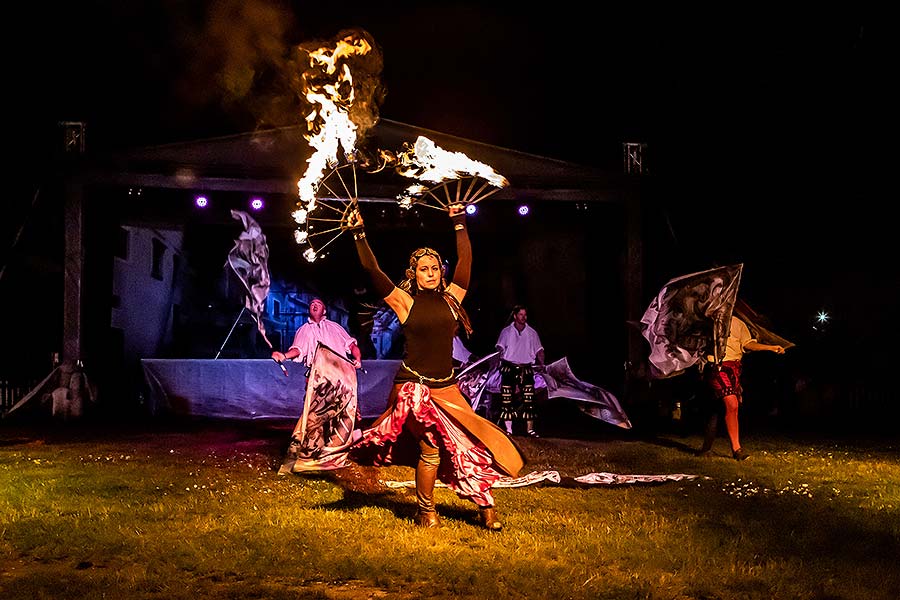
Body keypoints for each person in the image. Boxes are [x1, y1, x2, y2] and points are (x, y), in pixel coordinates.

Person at [344, 203, 524, 531]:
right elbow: (374, 272)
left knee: (469, 444)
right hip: (413, 388)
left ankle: (485, 506)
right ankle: (426, 512)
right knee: (431, 447)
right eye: (423, 268)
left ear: (442, 271)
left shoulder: (453, 298)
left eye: (435, 268)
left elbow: (467, 262)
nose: (430, 272)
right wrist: (359, 235)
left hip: (447, 386)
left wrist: (459, 224)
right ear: (414, 273)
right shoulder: (404, 301)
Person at [697, 314, 785, 460]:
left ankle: (706, 448)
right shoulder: (710, 320)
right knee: (732, 404)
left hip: (734, 368)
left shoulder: (738, 323)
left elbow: (747, 343)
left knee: (719, 409)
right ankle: (737, 450)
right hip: (716, 366)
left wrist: (770, 347)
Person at [271, 297, 362, 371]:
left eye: (318, 304)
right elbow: (297, 349)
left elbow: (352, 346)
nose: (315, 306)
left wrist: (357, 359)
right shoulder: (303, 330)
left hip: (340, 372)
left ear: (324, 311)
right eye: (312, 304)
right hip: (317, 374)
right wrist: (284, 356)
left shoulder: (336, 327)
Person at [495, 305, 545, 437]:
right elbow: (499, 348)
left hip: (526, 369)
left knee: (529, 399)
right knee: (507, 399)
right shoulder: (506, 332)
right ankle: (509, 430)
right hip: (509, 367)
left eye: (525, 315)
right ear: (515, 316)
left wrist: (542, 363)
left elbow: (539, 350)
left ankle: (530, 430)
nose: (524, 317)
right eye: (521, 315)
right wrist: (498, 357)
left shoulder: (532, 333)